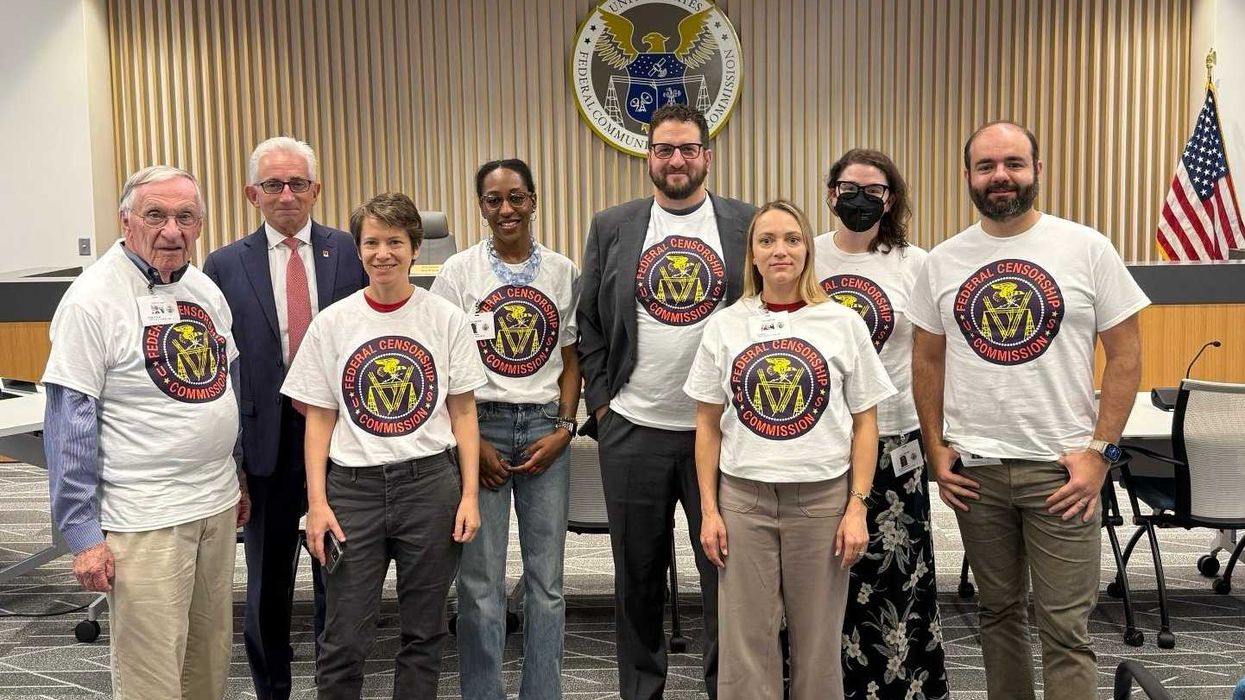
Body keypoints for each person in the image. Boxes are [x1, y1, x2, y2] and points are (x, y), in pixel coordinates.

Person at [908, 121, 1148, 700]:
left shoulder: (1087, 248)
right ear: (967, 176)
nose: (1000, 176)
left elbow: (1126, 356)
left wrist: (1101, 454)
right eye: (987, 166)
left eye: (1013, 163)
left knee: (1065, 629)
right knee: (999, 616)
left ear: (1038, 170)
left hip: (1062, 471)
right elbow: (927, 361)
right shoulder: (941, 261)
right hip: (977, 472)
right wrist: (935, 446)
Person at [43, 165, 247, 699]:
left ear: (201, 223)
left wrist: (237, 475)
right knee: (151, 674)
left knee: (207, 660)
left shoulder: (202, 287)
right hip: (145, 517)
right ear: (126, 221)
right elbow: (70, 424)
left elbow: (228, 385)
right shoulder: (91, 300)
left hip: (215, 504)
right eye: (156, 215)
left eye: (186, 216)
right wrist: (83, 536)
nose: (172, 230)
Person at [577, 103, 755, 699]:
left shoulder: (745, 224)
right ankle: (641, 690)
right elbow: (590, 322)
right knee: (638, 578)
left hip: (726, 433)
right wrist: (602, 405)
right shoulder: (613, 225)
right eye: (663, 150)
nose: (675, 160)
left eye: (687, 149)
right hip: (634, 429)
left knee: (725, 578)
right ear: (648, 157)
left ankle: (724, 687)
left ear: (706, 155)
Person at [686, 199, 895, 699]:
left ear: (807, 250)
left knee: (819, 644)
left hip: (821, 502)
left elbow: (866, 424)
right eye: (767, 241)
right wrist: (709, 511)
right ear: (752, 256)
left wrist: (857, 507)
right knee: (745, 646)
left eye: (792, 239)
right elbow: (707, 424)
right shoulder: (725, 325)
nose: (780, 250)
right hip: (744, 501)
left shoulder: (842, 323)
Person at [281, 192, 482, 699]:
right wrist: (317, 504)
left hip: (430, 487)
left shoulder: (445, 318)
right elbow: (319, 420)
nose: (383, 253)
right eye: (371, 242)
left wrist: (470, 496)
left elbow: (462, 412)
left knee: (424, 633)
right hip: (353, 492)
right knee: (344, 634)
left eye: (395, 241)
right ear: (358, 249)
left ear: (416, 248)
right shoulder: (333, 322)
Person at [203, 136, 365, 700]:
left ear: (316, 189)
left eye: (298, 183)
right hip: (265, 443)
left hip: (340, 438)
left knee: (338, 578)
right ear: (252, 193)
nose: (287, 194)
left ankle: (334, 685)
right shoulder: (223, 264)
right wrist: (233, 457)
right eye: (273, 184)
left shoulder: (350, 251)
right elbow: (217, 364)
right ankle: (272, 688)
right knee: (268, 585)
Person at [430, 158, 581, 700]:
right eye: (494, 200)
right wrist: (470, 443)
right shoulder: (458, 274)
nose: (506, 209)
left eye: (516, 197)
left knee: (547, 586)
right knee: (478, 585)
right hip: (481, 431)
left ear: (534, 200)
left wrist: (565, 428)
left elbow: (571, 360)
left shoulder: (562, 271)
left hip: (545, 430)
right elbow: (444, 368)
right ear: (481, 208)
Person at [814, 149, 949, 699]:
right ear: (830, 193)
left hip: (895, 441)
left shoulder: (914, 264)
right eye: (850, 187)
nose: (861, 198)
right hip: (818, 441)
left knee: (895, 579)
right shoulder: (808, 256)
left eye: (874, 190)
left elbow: (931, 357)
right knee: (823, 575)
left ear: (890, 199)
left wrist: (938, 435)